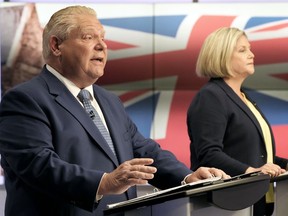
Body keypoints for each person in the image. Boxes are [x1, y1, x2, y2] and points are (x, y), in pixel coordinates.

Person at [0, 5, 229, 216]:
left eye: (103, 38)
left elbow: (143, 151)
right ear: (56, 45)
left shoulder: (108, 100)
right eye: (88, 37)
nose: (102, 45)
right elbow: (38, 165)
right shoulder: (25, 99)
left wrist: (188, 177)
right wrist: (104, 183)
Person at [187, 27, 288, 216]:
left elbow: (256, 155)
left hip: (257, 200)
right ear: (221, 56)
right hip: (229, 204)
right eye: (242, 50)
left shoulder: (244, 97)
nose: (252, 55)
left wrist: (282, 165)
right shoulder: (211, 96)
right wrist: (252, 172)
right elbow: (209, 155)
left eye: (249, 49)